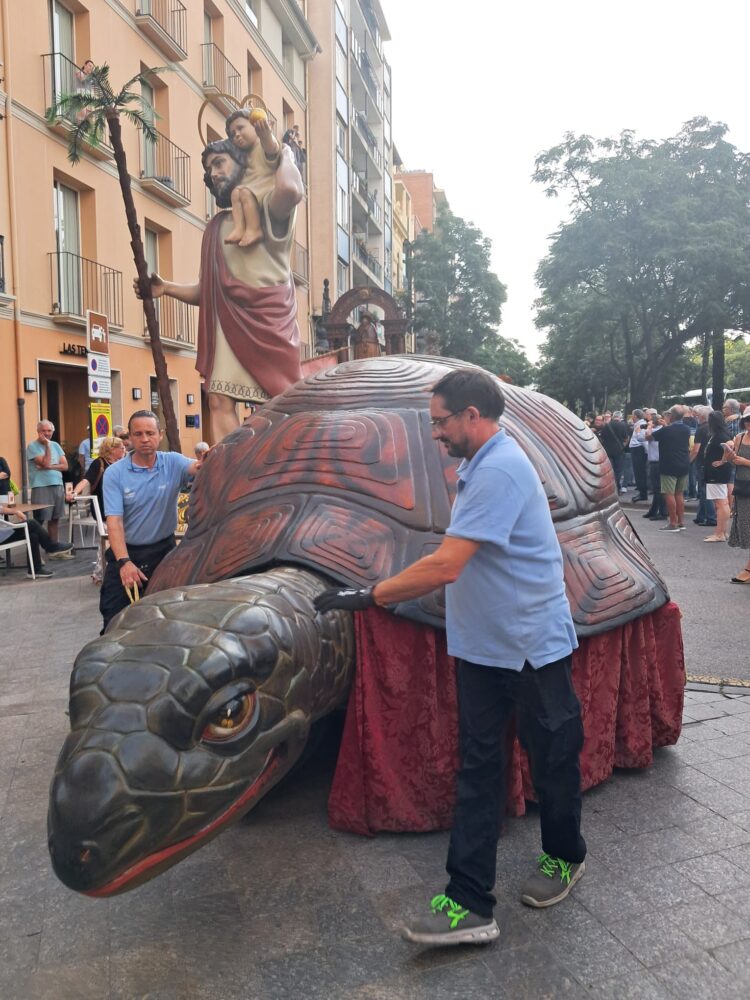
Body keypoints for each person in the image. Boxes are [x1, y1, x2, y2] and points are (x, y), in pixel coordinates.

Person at [314, 369, 585, 947]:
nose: (436, 432)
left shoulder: (502, 469)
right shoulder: (476, 466)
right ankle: (468, 901)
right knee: (478, 769)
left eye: (441, 421)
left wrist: (370, 595)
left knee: (553, 761)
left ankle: (565, 856)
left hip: (532, 647)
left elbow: (446, 564)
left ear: (472, 416)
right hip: (484, 650)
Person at [133, 136, 304, 444]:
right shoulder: (214, 228)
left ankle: (279, 469)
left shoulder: (266, 208)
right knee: (218, 401)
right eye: (209, 168)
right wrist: (166, 288)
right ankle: (230, 468)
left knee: (279, 406)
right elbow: (209, 292)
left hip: (270, 322)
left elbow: (290, 190)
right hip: (227, 323)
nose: (213, 173)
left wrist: (283, 153)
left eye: (219, 163)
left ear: (243, 164)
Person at [100, 411, 204, 631]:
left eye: (150, 433)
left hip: (163, 552)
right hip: (127, 554)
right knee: (114, 622)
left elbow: (200, 467)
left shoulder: (173, 462)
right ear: (129, 437)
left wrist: (215, 454)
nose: (145, 439)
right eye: (138, 434)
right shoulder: (115, 473)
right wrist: (124, 563)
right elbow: (114, 522)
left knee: (166, 620)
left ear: (160, 434)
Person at [224, 109, 281, 248]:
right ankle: (239, 228)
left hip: (265, 187)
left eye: (240, 128)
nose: (237, 134)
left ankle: (254, 229)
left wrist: (266, 135)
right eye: (232, 134)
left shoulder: (263, 145)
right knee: (236, 193)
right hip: (250, 187)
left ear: (254, 126)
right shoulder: (243, 155)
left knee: (244, 193)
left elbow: (272, 149)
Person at [647, 405, 692, 532]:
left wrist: (650, 427)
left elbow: (649, 437)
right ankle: (681, 522)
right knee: (679, 493)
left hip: (669, 464)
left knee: (669, 493)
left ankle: (672, 523)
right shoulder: (686, 429)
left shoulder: (666, 430)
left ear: (671, 416)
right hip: (683, 463)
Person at [26, 420, 68, 542]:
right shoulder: (32, 446)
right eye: (43, 430)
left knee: (55, 519)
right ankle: (35, 553)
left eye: (49, 430)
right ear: (38, 432)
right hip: (41, 486)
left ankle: (54, 549)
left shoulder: (56, 445)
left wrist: (50, 467)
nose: (46, 433)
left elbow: (65, 466)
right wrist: (47, 446)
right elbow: (45, 462)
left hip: (58, 484)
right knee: (39, 520)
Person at [0, 510, 73, 578]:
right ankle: (52, 547)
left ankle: (35, 569)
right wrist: (16, 512)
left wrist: (15, 512)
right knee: (31, 524)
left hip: (3, 532)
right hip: (2, 534)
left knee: (33, 534)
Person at [725, 411, 750, 583]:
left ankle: (748, 569)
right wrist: (729, 456)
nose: (749, 423)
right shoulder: (739, 437)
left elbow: (742, 462)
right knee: (745, 528)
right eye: (747, 420)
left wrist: (744, 462)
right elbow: (731, 461)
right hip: (743, 489)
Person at [702, 410, 732, 542]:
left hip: (716, 472)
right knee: (722, 502)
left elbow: (730, 446)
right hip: (718, 472)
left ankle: (719, 533)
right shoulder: (723, 433)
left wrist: (723, 460)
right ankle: (723, 532)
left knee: (720, 503)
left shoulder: (720, 435)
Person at [691, 406, 716, 527]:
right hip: (711, 462)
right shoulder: (714, 428)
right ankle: (700, 516)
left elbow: (696, 450)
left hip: (701, 462)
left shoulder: (701, 429)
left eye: (697, 415)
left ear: (701, 416)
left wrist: (688, 461)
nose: (696, 417)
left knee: (704, 490)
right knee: (703, 490)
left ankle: (711, 517)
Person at [642, 409, 667, 520]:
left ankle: (662, 512)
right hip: (657, 461)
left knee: (658, 488)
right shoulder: (663, 430)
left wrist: (649, 426)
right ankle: (653, 510)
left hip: (656, 462)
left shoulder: (657, 432)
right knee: (657, 489)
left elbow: (646, 436)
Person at [628, 409, 649, 501]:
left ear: (635, 416)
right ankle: (642, 492)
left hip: (639, 450)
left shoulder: (641, 425)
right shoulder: (638, 424)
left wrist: (647, 452)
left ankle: (643, 494)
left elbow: (644, 439)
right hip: (637, 449)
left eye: (632, 415)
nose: (632, 417)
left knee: (639, 472)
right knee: (638, 472)